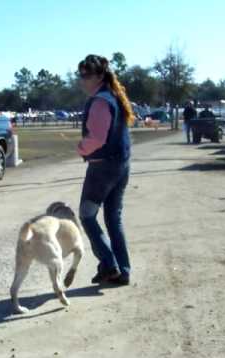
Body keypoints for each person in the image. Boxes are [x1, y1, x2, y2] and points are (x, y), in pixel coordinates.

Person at [76, 55, 135, 286]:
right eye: (80, 75)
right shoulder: (114, 97)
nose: (82, 80)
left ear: (99, 76)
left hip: (103, 169)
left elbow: (97, 138)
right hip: (121, 165)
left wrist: (81, 147)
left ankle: (110, 265)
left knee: (87, 215)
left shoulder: (100, 101)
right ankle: (123, 270)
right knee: (113, 218)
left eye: (86, 75)